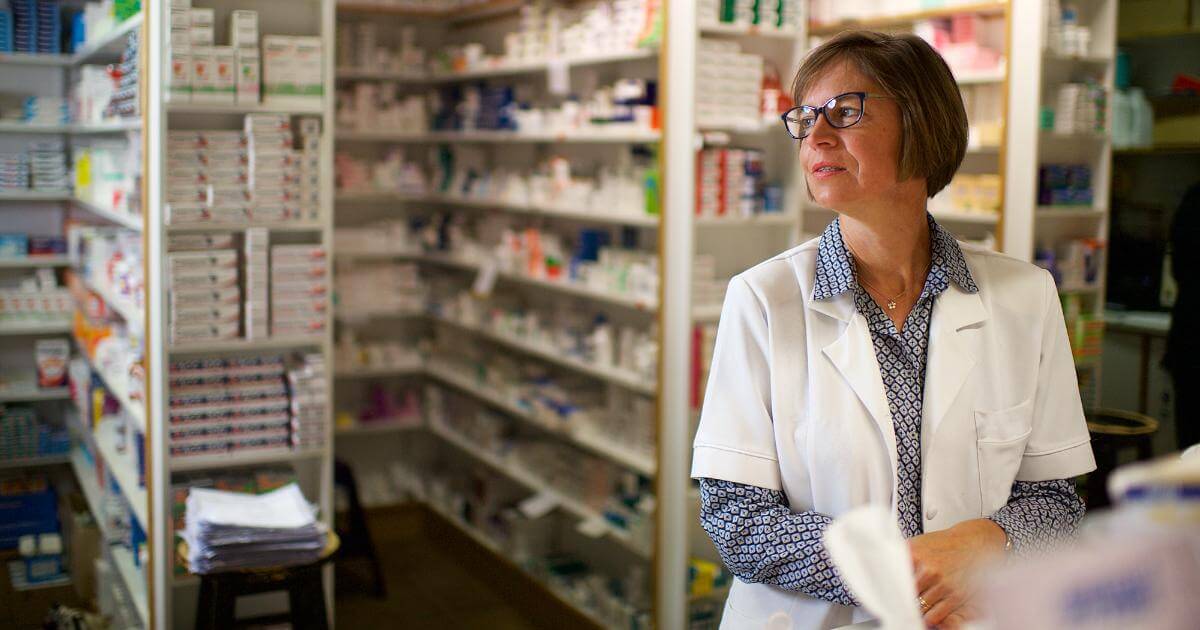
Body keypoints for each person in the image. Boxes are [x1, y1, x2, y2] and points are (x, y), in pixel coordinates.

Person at [691, 31, 1096, 630]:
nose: (817, 136)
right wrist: (907, 571)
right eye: (806, 118)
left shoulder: (1026, 297)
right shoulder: (762, 299)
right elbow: (736, 519)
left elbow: (1057, 500)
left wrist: (987, 540)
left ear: (923, 123)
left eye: (846, 111)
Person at [1165, 183, 1200, 451]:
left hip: (1188, 338)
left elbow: (1177, 267)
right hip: (1190, 339)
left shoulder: (1194, 196)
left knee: (1190, 445)